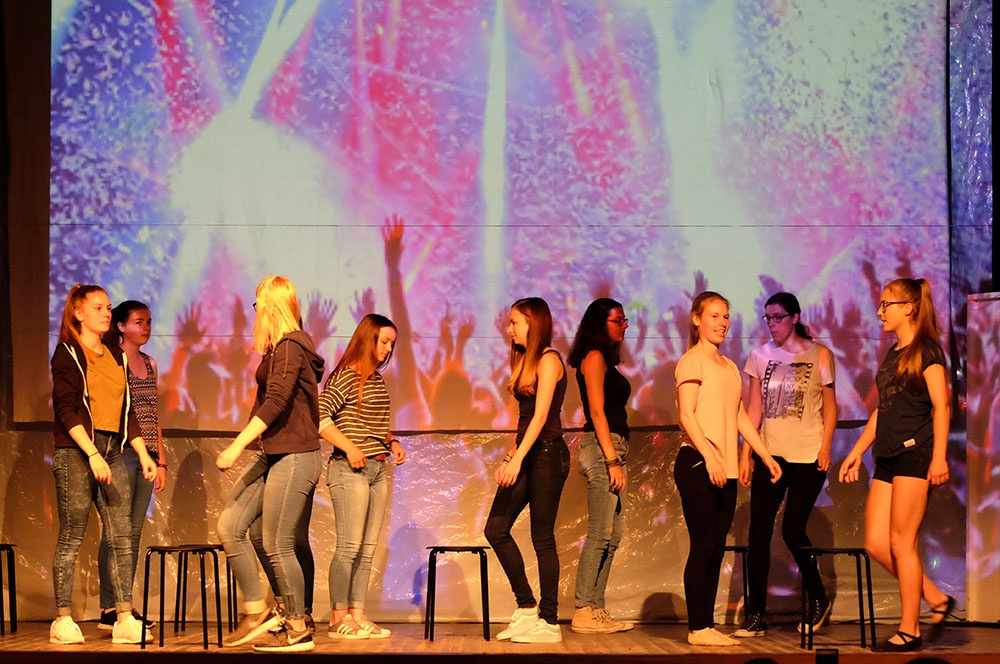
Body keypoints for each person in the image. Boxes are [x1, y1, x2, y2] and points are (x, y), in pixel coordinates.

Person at [840, 278, 954, 652]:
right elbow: (883, 409)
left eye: (886, 304)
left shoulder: (927, 351)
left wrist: (939, 456)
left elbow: (941, 406)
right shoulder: (894, 353)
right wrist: (857, 451)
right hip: (887, 456)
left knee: (902, 542)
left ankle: (910, 629)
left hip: (915, 454)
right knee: (876, 542)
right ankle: (935, 597)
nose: (879, 312)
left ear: (908, 307)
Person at [216, 275, 325, 653]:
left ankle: (296, 626)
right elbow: (265, 402)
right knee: (230, 525)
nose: (255, 312)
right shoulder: (277, 349)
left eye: (257, 304)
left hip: (295, 455)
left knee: (277, 542)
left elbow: (277, 401)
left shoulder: (292, 346)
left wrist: (235, 447)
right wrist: (253, 440)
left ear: (270, 306)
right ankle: (258, 610)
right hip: (273, 453)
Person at [49, 284, 157, 645]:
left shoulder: (116, 356)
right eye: (98, 307)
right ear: (79, 313)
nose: (106, 313)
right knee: (72, 534)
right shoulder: (67, 352)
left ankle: (123, 616)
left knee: (121, 534)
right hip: (77, 450)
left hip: (112, 448)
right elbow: (66, 409)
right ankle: (62, 618)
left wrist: (144, 453)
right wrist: (91, 453)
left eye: (108, 307)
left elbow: (128, 413)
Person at [674, 291, 781, 647]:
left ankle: (705, 625)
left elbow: (738, 416)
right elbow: (686, 415)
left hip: (725, 469)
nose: (722, 323)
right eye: (714, 316)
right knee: (703, 546)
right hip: (698, 463)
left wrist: (764, 455)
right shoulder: (692, 361)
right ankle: (698, 627)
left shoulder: (729, 366)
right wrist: (709, 455)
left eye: (725, 316)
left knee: (716, 548)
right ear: (696, 319)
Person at [734, 292, 837, 638]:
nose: (772, 324)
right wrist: (746, 455)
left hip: (809, 454)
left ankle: (818, 596)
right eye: (768, 318)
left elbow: (830, 407)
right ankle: (756, 614)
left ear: (795, 317)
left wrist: (826, 446)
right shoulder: (759, 356)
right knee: (758, 531)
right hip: (771, 453)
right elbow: (753, 410)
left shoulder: (820, 354)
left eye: (778, 317)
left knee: (793, 529)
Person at [485, 297, 569, 644]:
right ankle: (526, 606)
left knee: (542, 538)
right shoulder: (526, 361)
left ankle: (549, 621)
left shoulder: (549, 360)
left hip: (547, 455)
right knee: (495, 528)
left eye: (515, 322)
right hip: (528, 452)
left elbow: (541, 416)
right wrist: (512, 455)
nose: (509, 329)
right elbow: (523, 419)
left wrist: (518, 458)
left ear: (533, 324)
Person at [320, 313, 406, 640]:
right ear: (368, 339)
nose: (388, 349)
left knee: (367, 549)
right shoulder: (344, 376)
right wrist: (349, 447)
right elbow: (319, 416)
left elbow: (373, 425)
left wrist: (392, 441)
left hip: (377, 469)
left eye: (392, 344)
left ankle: (357, 614)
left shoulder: (376, 380)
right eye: (384, 341)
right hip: (349, 469)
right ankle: (338, 617)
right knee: (349, 547)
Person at [97, 301, 168, 632]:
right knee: (117, 529)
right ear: (121, 326)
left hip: (148, 456)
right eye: (139, 322)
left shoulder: (150, 364)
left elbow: (153, 414)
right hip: (122, 451)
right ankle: (110, 606)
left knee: (135, 531)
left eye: (149, 322)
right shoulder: (113, 360)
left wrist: (160, 459)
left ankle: (124, 605)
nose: (146, 327)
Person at [567, 298, 633, 634]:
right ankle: (583, 608)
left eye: (625, 319)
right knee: (600, 533)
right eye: (617, 320)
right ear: (599, 323)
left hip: (613, 448)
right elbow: (596, 411)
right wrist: (611, 460)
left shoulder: (606, 360)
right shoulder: (593, 357)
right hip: (602, 450)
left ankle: (596, 607)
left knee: (613, 535)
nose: (624, 325)